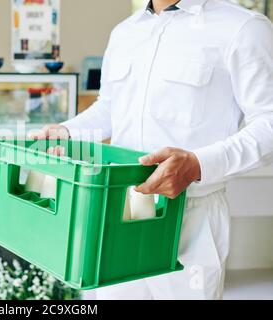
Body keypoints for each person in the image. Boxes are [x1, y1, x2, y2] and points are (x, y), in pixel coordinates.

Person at [30, 0, 273, 299]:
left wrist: (198, 164)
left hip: (190, 215)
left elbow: (269, 122)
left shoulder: (244, 28)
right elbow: (108, 108)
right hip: (122, 207)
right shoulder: (125, 32)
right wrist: (65, 132)